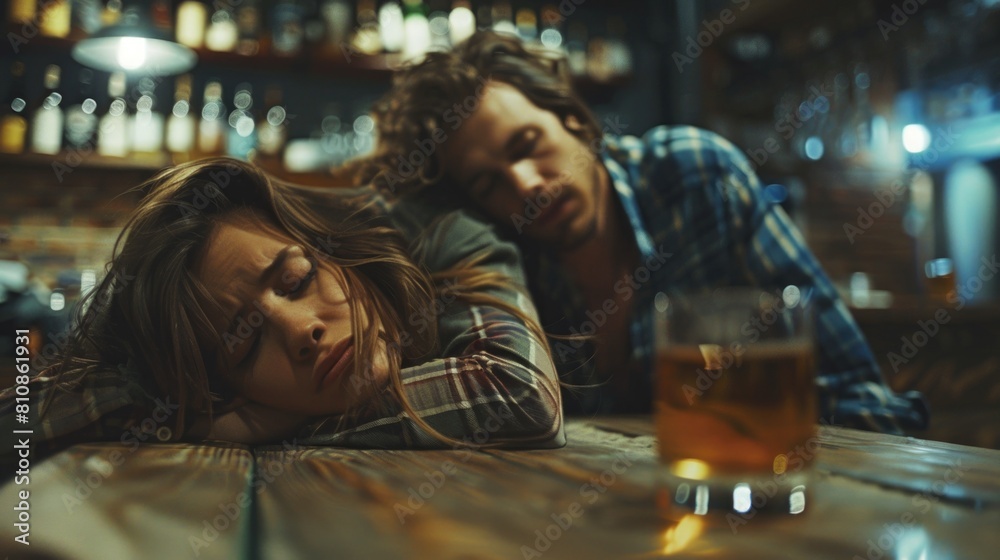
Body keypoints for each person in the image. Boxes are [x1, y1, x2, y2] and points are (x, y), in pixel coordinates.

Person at [352, 31, 928, 434]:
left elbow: (855, 392)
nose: (524, 186)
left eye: (528, 145)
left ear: (573, 118)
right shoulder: (506, 260)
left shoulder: (691, 176)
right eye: (488, 184)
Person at [0, 157, 564, 468]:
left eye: (297, 280)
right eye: (243, 345)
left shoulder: (446, 238)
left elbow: (520, 391)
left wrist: (259, 430)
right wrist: (185, 414)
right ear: (226, 390)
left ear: (337, 252)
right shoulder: (186, 344)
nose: (301, 331)